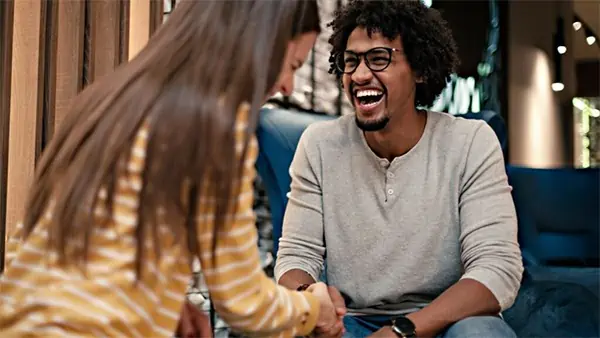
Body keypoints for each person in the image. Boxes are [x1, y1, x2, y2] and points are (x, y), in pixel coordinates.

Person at [0, 1, 346, 337]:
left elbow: (49, 249)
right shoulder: (219, 127)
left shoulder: (108, 100)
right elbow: (244, 302)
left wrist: (166, 302)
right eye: (293, 64)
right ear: (261, 43)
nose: (287, 86)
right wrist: (312, 308)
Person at [275, 1, 524, 337]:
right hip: (351, 322)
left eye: (379, 59)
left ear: (420, 68)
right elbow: (295, 258)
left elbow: (497, 271)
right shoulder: (319, 145)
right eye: (351, 61)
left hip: (448, 321)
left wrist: (401, 331)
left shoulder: (471, 142)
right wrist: (310, 297)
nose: (360, 75)